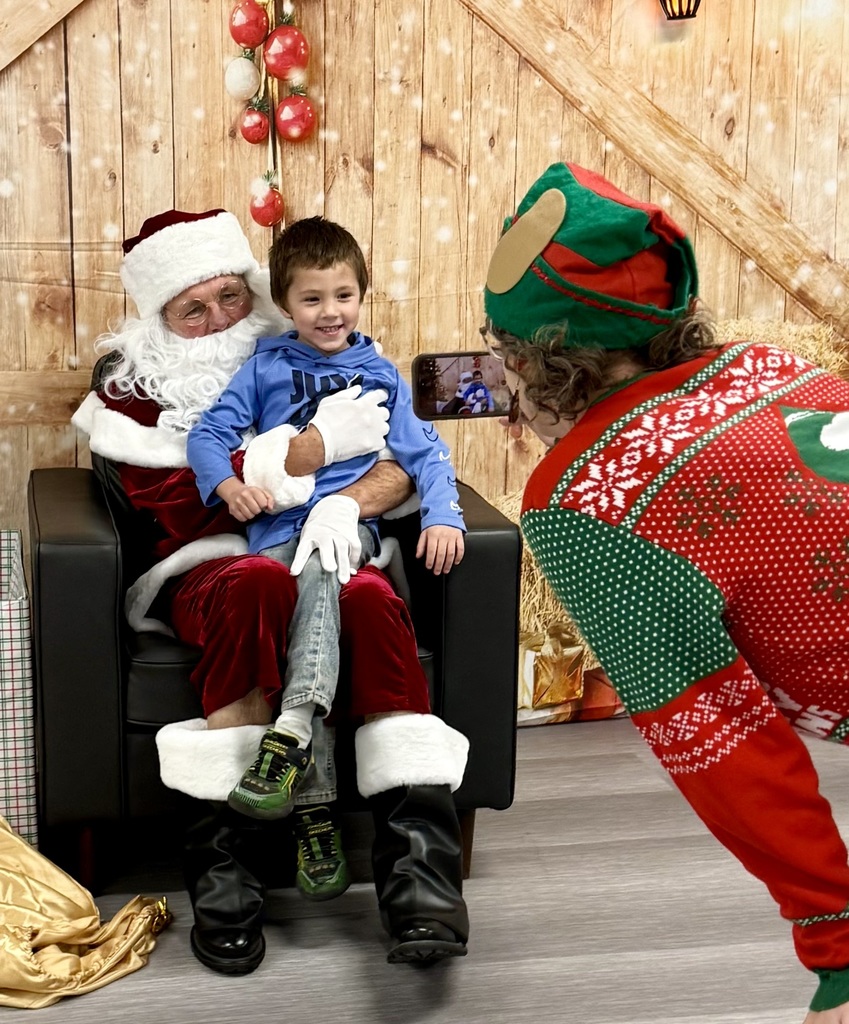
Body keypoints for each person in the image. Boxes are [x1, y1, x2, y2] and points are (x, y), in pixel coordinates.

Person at [481, 161, 849, 1024]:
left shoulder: (582, 500)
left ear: (543, 360)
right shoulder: (770, 368)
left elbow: (718, 735)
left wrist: (836, 941)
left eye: (505, 352)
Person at [71, 208, 470, 976]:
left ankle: (419, 879)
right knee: (256, 582)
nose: (220, 318)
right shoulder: (136, 399)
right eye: (194, 308)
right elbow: (199, 507)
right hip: (214, 565)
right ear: (161, 319)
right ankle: (227, 876)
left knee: (364, 598)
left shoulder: (318, 355)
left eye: (229, 296)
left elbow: (401, 461)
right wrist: (317, 447)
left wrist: (346, 497)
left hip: (326, 545)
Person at [186, 215, 466, 829]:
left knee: (326, 562)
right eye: (312, 299)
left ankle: (291, 728)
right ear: (285, 303)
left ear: (363, 295)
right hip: (279, 532)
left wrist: (445, 516)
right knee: (307, 584)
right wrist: (228, 485)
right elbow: (209, 433)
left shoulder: (383, 376)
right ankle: (314, 808)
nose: (330, 311)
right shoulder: (264, 369)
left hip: (348, 529)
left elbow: (426, 455)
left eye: (344, 295)